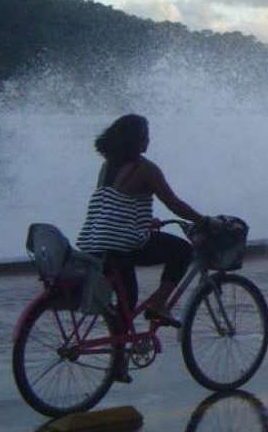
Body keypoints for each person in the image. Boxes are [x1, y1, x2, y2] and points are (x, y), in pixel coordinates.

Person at [76, 114, 205, 331]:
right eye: (144, 137)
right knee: (182, 250)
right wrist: (204, 220)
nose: (148, 141)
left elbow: (115, 208)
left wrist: (144, 222)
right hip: (121, 246)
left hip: (95, 245)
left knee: (125, 305)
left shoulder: (107, 167)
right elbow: (174, 204)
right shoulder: (145, 169)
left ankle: (119, 352)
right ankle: (158, 304)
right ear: (133, 140)